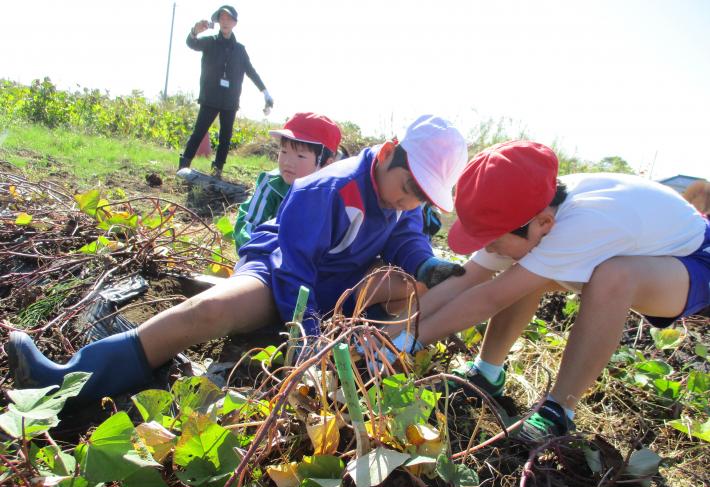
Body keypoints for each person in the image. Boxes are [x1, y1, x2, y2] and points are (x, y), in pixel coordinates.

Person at [7, 115, 469, 405]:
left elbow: (408, 236)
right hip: (280, 270)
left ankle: (372, 336)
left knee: (418, 283)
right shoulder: (327, 188)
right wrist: (306, 333)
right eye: (408, 189)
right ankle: (66, 380)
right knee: (211, 311)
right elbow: (294, 267)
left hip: (339, 279)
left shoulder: (400, 203)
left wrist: (423, 265)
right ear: (387, 154)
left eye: (421, 198)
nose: (409, 203)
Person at [382, 140, 710, 441]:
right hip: (637, 247)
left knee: (613, 276)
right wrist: (392, 336)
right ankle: (487, 373)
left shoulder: (578, 224)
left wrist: (410, 343)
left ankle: (559, 410)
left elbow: (490, 297)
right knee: (525, 267)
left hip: (692, 262)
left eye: (494, 238)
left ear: (543, 224)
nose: (489, 246)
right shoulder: (524, 205)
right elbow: (467, 278)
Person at [178, 5, 273, 178]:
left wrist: (265, 92)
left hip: (230, 100)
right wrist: (194, 31)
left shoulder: (240, 50)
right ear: (218, 21)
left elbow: (251, 72)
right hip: (210, 97)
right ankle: (183, 165)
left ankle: (217, 170)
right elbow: (192, 43)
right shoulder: (210, 42)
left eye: (228, 19)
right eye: (222, 18)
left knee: (225, 137)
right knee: (198, 132)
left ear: (234, 23)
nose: (225, 22)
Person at [234, 112, 341, 249]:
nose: (288, 162)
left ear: (327, 163)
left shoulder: (333, 195)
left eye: (300, 156)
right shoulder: (272, 184)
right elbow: (248, 222)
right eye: (284, 152)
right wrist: (258, 249)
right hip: (267, 253)